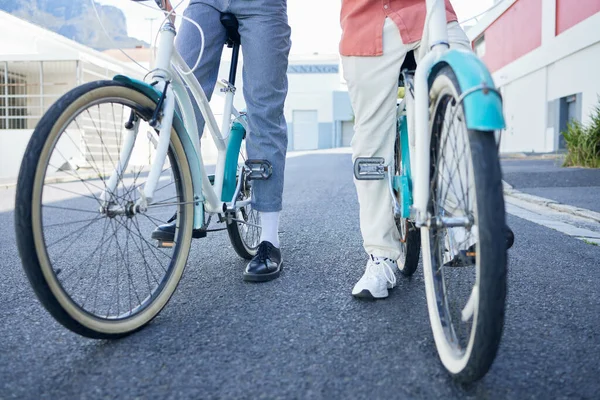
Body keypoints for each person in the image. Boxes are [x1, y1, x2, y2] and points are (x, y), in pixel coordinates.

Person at [340, 0, 477, 299]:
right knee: (370, 142)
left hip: (429, 11)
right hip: (366, 24)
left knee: (464, 87)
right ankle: (381, 255)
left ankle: (460, 222)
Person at [152, 0, 291, 282]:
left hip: (263, 5)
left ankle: (269, 239)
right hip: (206, 2)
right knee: (182, 100)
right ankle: (190, 203)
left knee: (264, 109)